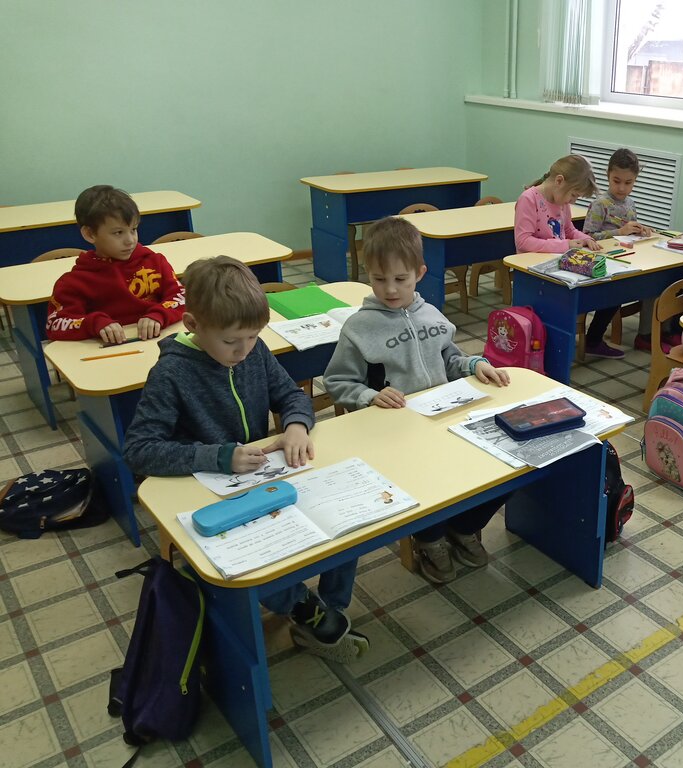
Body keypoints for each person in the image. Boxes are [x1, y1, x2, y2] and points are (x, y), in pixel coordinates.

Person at [123, 256, 367, 663]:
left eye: (253, 337)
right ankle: (304, 609)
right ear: (192, 325)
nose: (243, 350)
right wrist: (220, 456)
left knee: (346, 514)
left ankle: (331, 608)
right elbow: (139, 450)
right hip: (206, 488)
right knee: (253, 555)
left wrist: (296, 426)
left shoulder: (253, 351)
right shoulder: (171, 373)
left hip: (260, 474)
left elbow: (290, 395)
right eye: (231, 341)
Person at [324, 217, 511, 584]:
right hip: (397, 433)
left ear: (420, 273)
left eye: (400, 279)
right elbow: (337, 381)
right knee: (424, 482)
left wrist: (474, 364)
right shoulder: (359, 328)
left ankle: (463, 528)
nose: (390, 289)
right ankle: (430, 539)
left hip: (444, 420)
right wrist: (370, 395)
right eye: (379, 279)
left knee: (501, 466)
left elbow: (450, 359)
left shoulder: (431, 315)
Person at [514, 154, 624, 359]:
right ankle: (556, 352)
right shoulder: (529, 199)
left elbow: (569, 230)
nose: (572, 201)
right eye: (573, 195)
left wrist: (587, 239)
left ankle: (592, 340)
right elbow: (523, 241)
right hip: (535, 272)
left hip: (560, 266)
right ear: (559, 181)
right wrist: (565, 245)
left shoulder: (561, 201)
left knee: (612, 287)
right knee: (565, 306)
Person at [46, 185, 186, 343]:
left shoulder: (155, 262)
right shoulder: (74, 282)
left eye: (133, 229)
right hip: (109, 350)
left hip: (158, 342)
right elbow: (55, 325)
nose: (130, 240)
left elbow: (182, 298)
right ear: (90, 234)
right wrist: (94, 323)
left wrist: (159, 314)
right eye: (118, 233)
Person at [583, 148, 670, 352]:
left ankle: (658, 332)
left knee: (657, 280)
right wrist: (619, 232)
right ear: (608, 176)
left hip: (626, 258)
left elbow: (628, 232)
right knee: (614, 295)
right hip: (605, 262)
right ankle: (593, 339)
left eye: (628, 183)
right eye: (616, 181)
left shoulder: (630, 203)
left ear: (635, 180)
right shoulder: (600, 204)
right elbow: (587, 237)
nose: (622, 188)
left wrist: (640, 230)